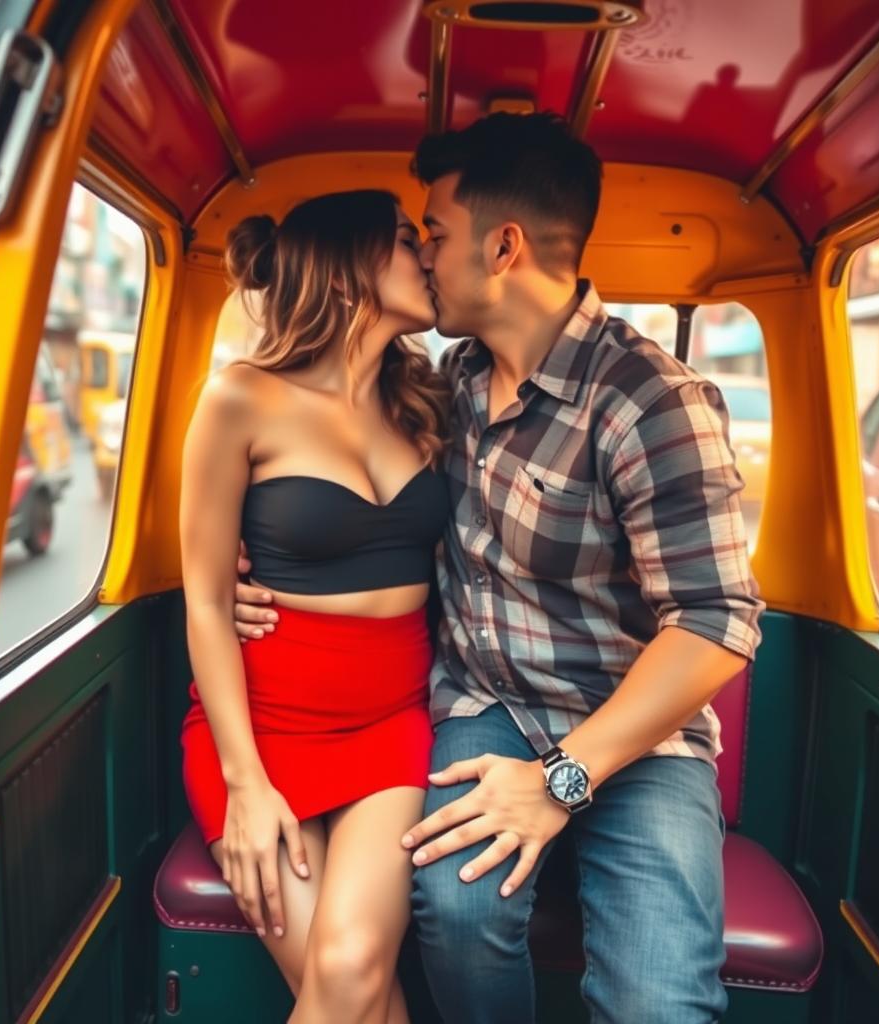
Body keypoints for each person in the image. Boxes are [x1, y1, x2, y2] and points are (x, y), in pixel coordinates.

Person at [234, 112, 764, 1024]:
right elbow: (353, 483)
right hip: (486, 707)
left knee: (659, 1004)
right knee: (455, 910)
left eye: (433, 235)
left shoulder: (650, 402)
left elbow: (716, 623)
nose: (425, 257)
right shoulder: (450, 387)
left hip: (638, 732)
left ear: (504, 246)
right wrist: (267, 561)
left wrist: (563, 780)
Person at [180, 189, 451, 1024]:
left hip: (393, 726)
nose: (429, 255)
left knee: (349, 962)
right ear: (348, 273)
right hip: (260, 734)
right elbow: (205, 598)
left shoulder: (429, 400)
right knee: (356, 991)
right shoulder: (240, 399)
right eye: (409, 240)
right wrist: (246, 787)